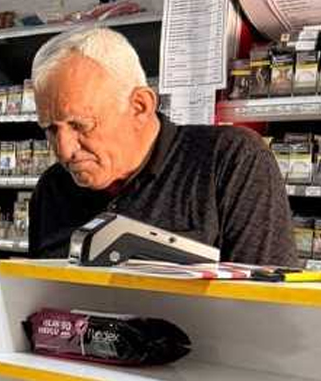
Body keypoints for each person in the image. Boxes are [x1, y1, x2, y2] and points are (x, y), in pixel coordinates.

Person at [28, 26, 296, 266]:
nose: (64, 150)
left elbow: (269, 296)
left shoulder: (232, 161)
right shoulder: (52, 188)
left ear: (140, 106)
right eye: (51, 129)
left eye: (80, 125)